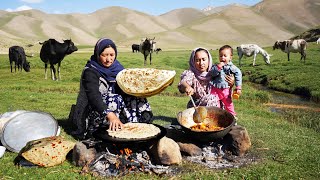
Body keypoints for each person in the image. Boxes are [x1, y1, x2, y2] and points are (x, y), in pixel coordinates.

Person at [71, 38, 153, 139]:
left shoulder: (118, 68)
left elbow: (127, 88)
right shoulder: (90, 71)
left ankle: (138, 127)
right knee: (114, 100)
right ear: (97, 54)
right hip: (93, 110)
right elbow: (94, 97)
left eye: (111, 55)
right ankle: (99, 131)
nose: (108, 59)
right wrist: (110, 115)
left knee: (137, 98)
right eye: (104, 55)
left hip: (114, 111)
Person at [210, 45, 242, 117]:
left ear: (230, 57)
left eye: (225, 56)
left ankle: (233, 117)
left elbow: (238, 75)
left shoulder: (232, 67)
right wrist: (218, 67)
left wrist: (238, 87)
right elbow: (212, 73)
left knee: (229, 105)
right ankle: (216, 117)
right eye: (220, 56)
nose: (222, 58)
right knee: (215, 104)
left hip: (226, 91)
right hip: (215, 89)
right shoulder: (216, 66)